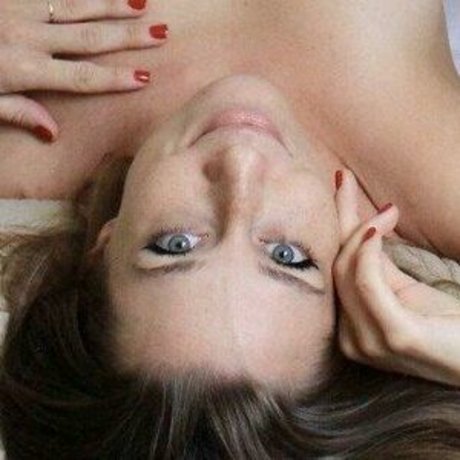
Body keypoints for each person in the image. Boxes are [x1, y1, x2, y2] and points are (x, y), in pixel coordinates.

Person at [0, 1, 460, 458]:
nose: (241, 165)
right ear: (351, 284)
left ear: (103, 250)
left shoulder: (25, 124)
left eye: (176, 244)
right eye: (287, 256)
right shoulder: (437, 182)